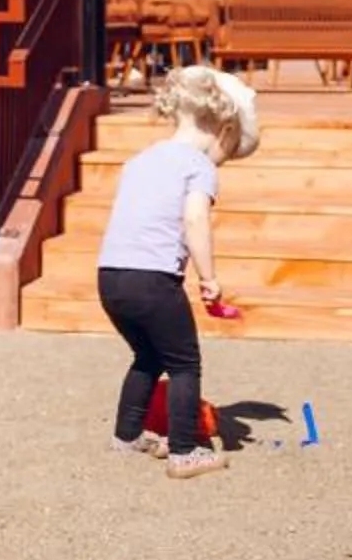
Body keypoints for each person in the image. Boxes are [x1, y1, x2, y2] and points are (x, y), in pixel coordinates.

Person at [96, 64, 259, 479]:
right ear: (222, 128)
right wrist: (208, 278)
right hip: (153, 280)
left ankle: (126, 436)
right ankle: (185, 451)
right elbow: (194, 221)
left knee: (147, 355)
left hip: (111, 276)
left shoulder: (140, 160)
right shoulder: (198, 166)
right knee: (185, 363)